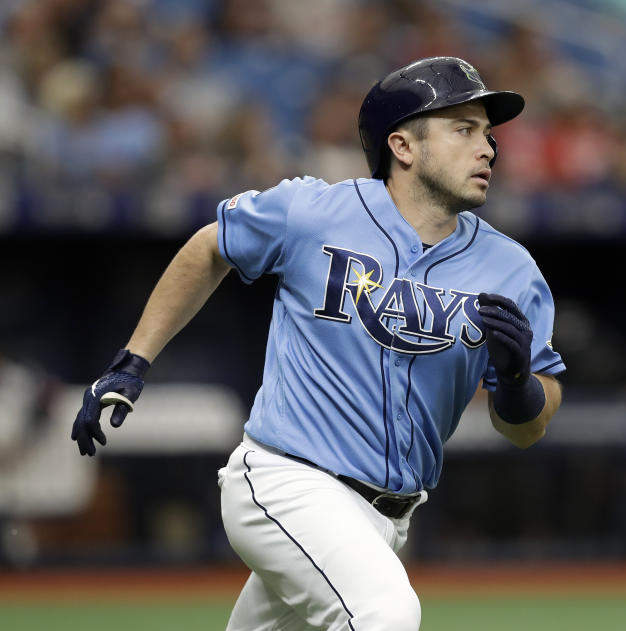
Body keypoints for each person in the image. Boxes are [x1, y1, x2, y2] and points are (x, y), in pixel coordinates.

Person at [71, 57, 565, 630]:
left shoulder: (511, 270)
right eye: (464, 130)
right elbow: (212, 246)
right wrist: (134, 361)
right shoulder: (316, 211)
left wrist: (518, 387)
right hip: (287, 481)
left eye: (488, 134)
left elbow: (527, 429)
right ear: (403, 146)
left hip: (388, 519)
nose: (488, 149)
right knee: (385, 613)